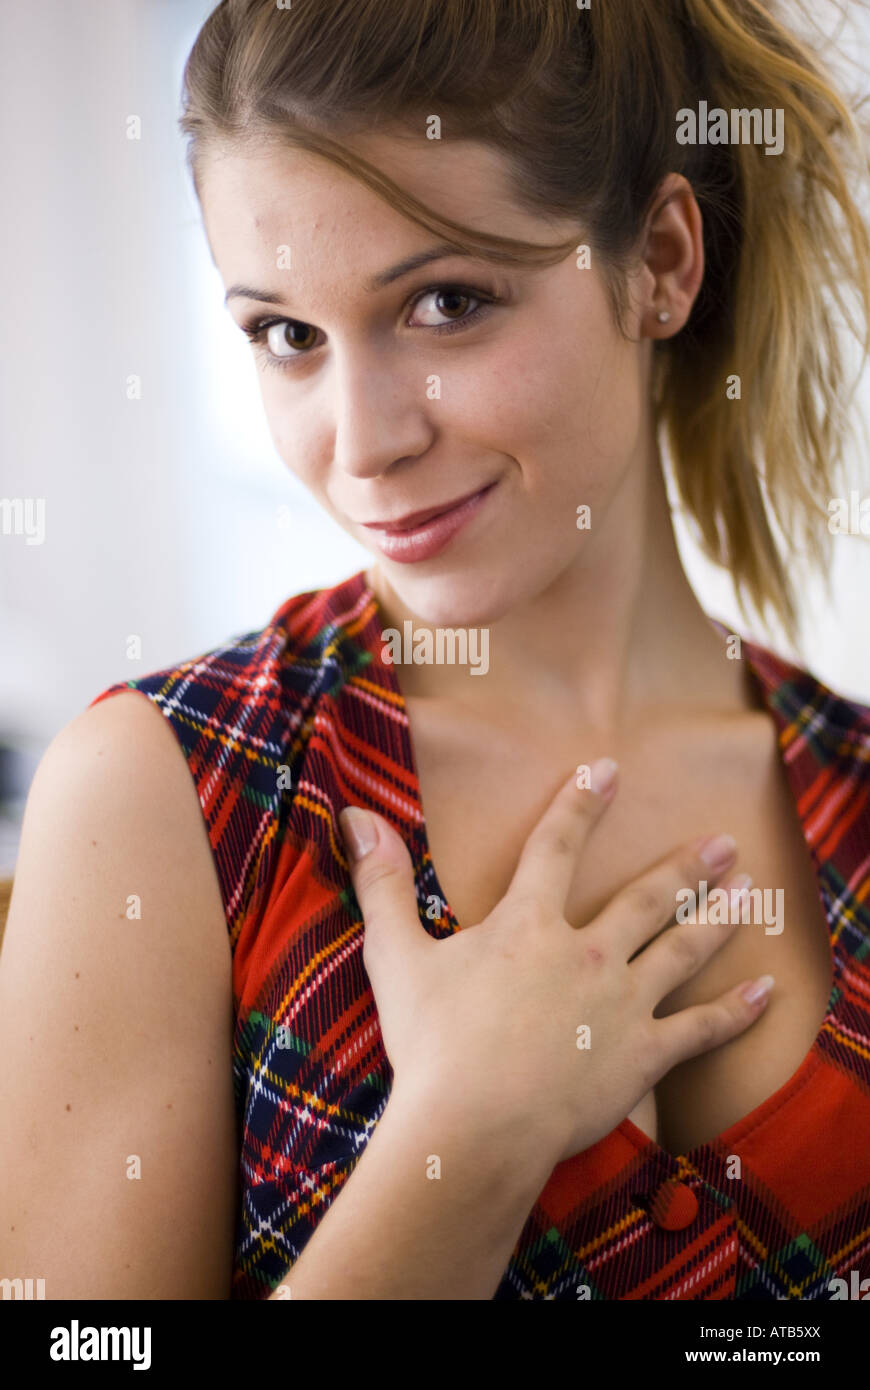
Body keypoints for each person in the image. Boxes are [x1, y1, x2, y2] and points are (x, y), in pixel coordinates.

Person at [2, 0, 869, 1302]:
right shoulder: (170, 793)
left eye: (445, 303)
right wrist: (462, 1147)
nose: (359, 443)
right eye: (283, 334)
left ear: (662, 263)